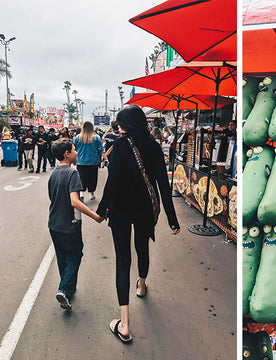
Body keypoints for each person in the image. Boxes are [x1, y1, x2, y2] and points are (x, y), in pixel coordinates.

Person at [96, 105, 180, 343]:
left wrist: (101, 211)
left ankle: (124, 324)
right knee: (142, 246)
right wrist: (172, 219)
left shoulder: (120, 146)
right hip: (144, 209)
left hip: (121, 210)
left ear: (126, 124)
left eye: (120, 123)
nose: (118, 127)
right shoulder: (154, 146)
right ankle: (142, 285)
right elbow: (164, 184)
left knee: (123, 261)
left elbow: (111, 183)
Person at [48, 138, 104, 311]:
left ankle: (67, 289)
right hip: (70, 224)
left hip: (53, 223)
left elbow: (53, 197)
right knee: (75, 255)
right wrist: (95, 216)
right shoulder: (73, 174)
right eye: (74, 149)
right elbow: (74, 201)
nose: (77, 152)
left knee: (62, 257)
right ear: (67, 154)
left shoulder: (54, 173)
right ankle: (64, 289)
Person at [73, 121, 107, 201]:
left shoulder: (78, 137)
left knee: (81, 178)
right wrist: (106, 159)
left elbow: (73, 149)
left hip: (81, 161)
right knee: (92, 178)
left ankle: (81, 193)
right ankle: (91, 194)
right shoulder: (96, 137)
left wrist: (74, 160)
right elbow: (101, 150)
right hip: (93, 162)